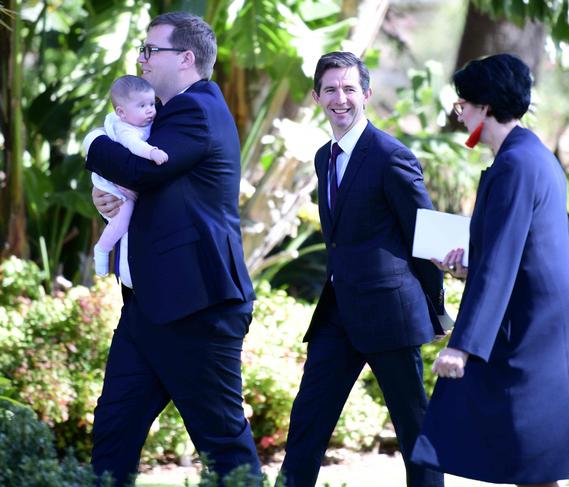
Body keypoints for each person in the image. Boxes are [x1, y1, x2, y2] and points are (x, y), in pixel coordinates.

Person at [84, 12, 260, 486]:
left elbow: (144, 172)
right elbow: (155, 193)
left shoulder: (194, 107)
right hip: (148, 308)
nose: (141, 59)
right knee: (114, 433)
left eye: (149, 50)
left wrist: (93, 142)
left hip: (196, 306)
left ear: (185, 58)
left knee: (223, 446)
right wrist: (111, 202)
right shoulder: (167, 115)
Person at [411, 54, 569, 487]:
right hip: (536, 326)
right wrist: (466, 266)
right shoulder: (525, 153)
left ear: (486, 107)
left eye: (463, 105)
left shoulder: (518, 162)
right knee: (530, 463)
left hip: (542, 332)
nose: (460, 116)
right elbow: (506, 252)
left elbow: (501, 263)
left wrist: (462, 347)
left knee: (533, 462)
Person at [278, 51, 446, 487]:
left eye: (350, 88)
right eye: (331, 89)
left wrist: (436, 307)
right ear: (317, 96)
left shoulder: (392, 156)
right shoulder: (322, 157)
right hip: (337, 313)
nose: (341, 98)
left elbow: (424, 233)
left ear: (366, 94)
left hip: (390, 314)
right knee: (306, 424)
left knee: (415, 432)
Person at [85, 75, 168, 277]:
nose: (150, 109)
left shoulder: (145, 121)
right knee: (123, 218)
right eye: (142, 106)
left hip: (125, 181)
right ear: (121, 112)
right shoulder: (125, 128)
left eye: (151, 103)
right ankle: (103, 249)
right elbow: (134, 146)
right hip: (115, 185)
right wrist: (152, 152)